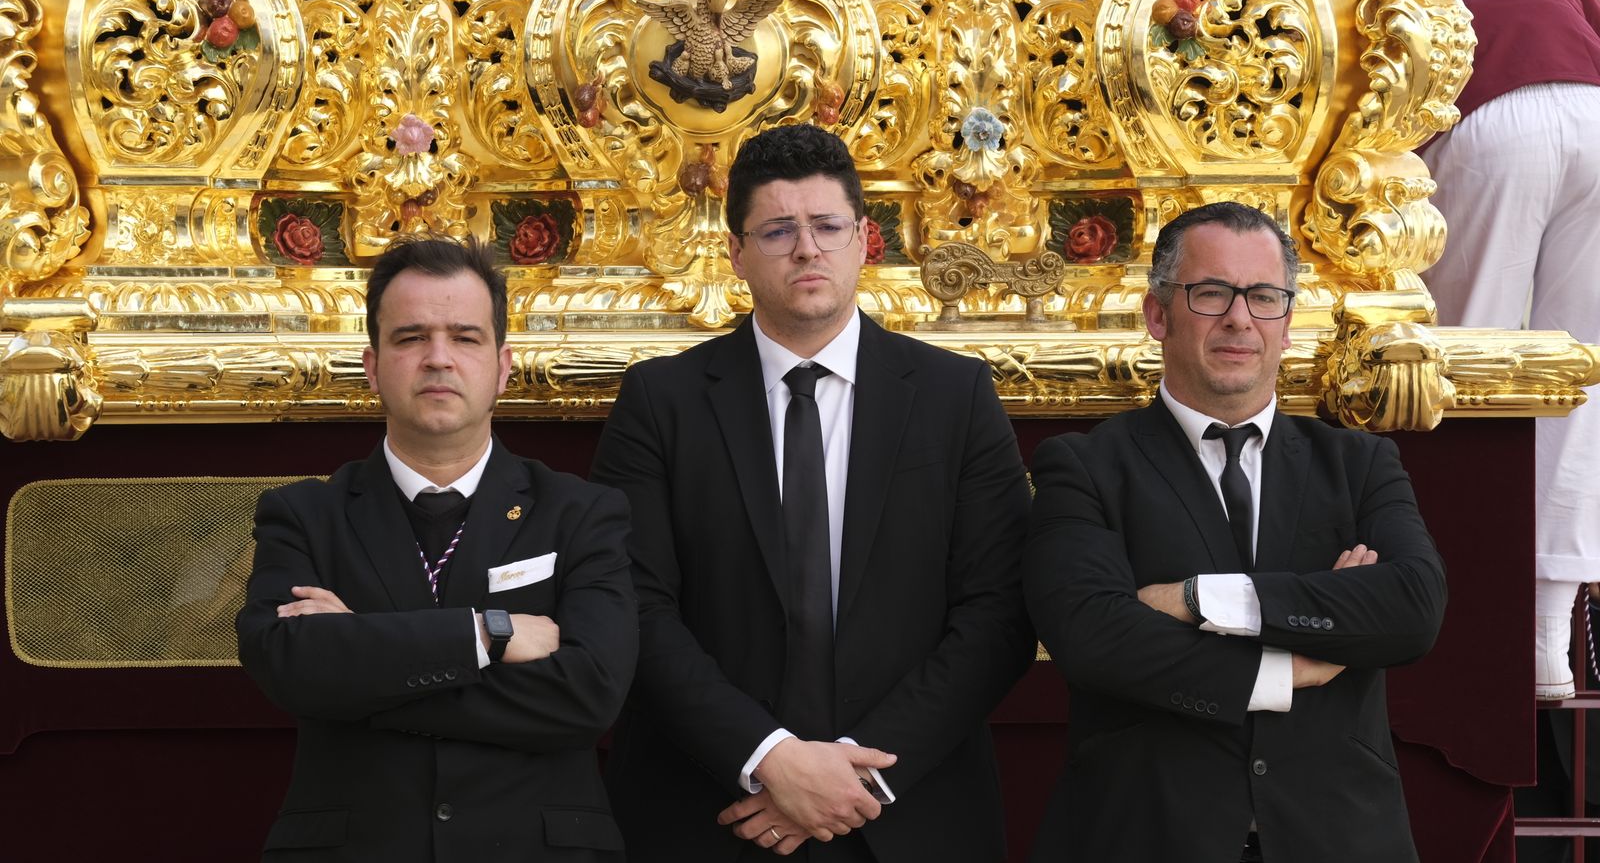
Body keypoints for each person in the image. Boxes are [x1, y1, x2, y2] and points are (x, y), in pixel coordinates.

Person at [591, 123, 1034, 861]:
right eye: (778, 230)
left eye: (828, 225)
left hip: (910, 810)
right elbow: (633, 604)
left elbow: (1001, 610)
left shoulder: (956, 397)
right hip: (712, 808)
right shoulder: (660, 401)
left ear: (864, 237)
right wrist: (768, 756)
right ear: (735, 252)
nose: (807, 248)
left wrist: (861, 775)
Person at [1023, 202, 1448, 863]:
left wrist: (1200, 600)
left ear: (1286, 323)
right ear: (1158, 314)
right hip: (1146, 835)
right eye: (1212, 291)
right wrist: (1287, 667)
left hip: (1339, 837)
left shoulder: (1360, 463)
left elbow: (1411, 608)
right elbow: (1093, 635)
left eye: (1264, 297)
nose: (1240, 317)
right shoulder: (1084, 466)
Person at [235, 238, 637, 862]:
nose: (438, 359)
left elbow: (588, 696)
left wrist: (363, 664)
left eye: (466, 337)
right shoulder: (303, 514)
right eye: (411, 337)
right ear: (372, 366)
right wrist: (484, 636)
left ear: (503, 366)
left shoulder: (581, 514)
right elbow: (291, 665)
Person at [1418, 0, 1600, 700]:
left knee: (1457, 360)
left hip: (1491, 112)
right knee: (1579, 378)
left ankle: (1455, 615)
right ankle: (1545, 642)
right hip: (1594, 113)